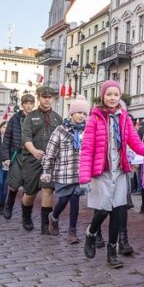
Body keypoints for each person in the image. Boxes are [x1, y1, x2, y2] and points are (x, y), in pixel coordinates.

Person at [80, 81, 144, 268]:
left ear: (120, 97)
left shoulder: (124, 117)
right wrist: (84, 177)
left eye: (115, 95)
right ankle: (91, 233)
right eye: (108, 94)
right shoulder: (95, 118)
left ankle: (112, 252)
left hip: (119, 170)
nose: (112, 98)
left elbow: (134, 141)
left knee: (117, 211)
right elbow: (87, 148)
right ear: (103, 96)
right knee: (102, 209)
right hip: (101, 170)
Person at [41, 98, 89, 244]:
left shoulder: (87, 131)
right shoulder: (61, 130)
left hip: (79, 173)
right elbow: (50, 151)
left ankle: (72, 231)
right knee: (63, 200)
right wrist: (47, 170)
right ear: (72, 113)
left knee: (75, 200)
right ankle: (54, 217)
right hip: (63, 172)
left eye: (85, 114)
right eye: (79, 113)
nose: (82, 116)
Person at [20, 87, 61, 233]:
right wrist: (34, 151)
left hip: (50, 161)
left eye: (50, 97)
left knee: (48, 189)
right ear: (39, 98)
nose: (47, 99)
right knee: (30, 192)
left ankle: (45, 225)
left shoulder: (57, 118)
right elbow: (26, 137)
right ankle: (26, 217)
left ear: (53, 99)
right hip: (32, 159)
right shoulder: (30, 117)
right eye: (44, 97)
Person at [2, 93, 35, 220]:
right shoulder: (15, 119)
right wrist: (6, 157)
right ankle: (9, 205)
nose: (28, 106)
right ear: (22, 105)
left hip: (31, 157)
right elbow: (7, 138)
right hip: (17, 155)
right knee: (14, 184)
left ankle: (25, 214)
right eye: (26, 103)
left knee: (29, 187)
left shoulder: (35, 118)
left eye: (31, 103)